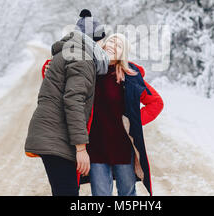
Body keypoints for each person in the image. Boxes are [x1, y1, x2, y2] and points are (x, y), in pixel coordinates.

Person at [42, 33, 164, 196]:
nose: (113, 45)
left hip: (122, 148)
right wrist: (49, 66)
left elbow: (156, 102)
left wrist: (132, 122)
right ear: (103, 46)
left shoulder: (130, 75)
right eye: (111, 41)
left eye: (119, 45)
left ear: (123, 54)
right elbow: (58, 79)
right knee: (100, 194)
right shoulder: (88, 69)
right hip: (96, 147)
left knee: (127, 193)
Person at [24, 9, 109, 196]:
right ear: (95, 39)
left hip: (53, 134)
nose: (105, 45)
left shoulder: (70, 53)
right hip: (56, 136)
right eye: (103, 40)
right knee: (67, 192)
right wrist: (81, 148)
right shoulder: (82, 57)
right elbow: (74, 101)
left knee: (65, 191)